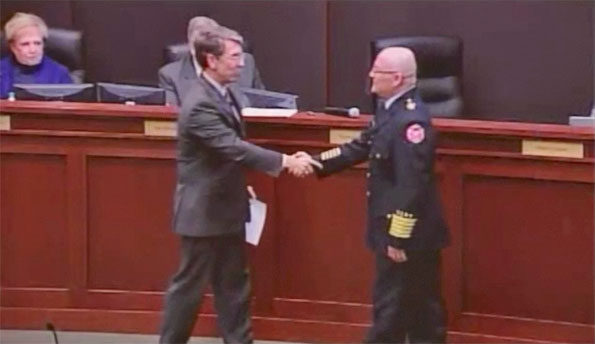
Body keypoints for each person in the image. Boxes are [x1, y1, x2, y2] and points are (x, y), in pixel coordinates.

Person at [158, 25, 313, 344]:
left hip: (228, 204)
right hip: (203, 212)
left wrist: (240, 186)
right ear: (211, 60)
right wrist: (285, 161)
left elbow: (223, 156)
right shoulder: (199, 102)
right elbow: (231, 146)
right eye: (235, 56)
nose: (242, 63)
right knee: (189, 289)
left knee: (234, 286)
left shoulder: (227, 92)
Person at [311, 47, 449, 343]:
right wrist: (316, 162)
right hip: (400, 232)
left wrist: (398, 236)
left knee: (397, 312)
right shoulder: (390, 109)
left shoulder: (411, 122)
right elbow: (361, 145)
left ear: (397, 78)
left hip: (407, 236)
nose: (371, 75)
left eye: (377, 70)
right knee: (417, 310)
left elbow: (413, 184)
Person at [158, 16, 265, 107]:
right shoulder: (170, 75)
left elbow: (263, 104)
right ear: (192, 47)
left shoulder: (247, 64)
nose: (240, 62)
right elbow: (172, 118)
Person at [0, 12, 72, 99]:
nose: (33, 50)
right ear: (13, 47)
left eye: (37, 43)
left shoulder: (59, 73)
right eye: (25, 44)